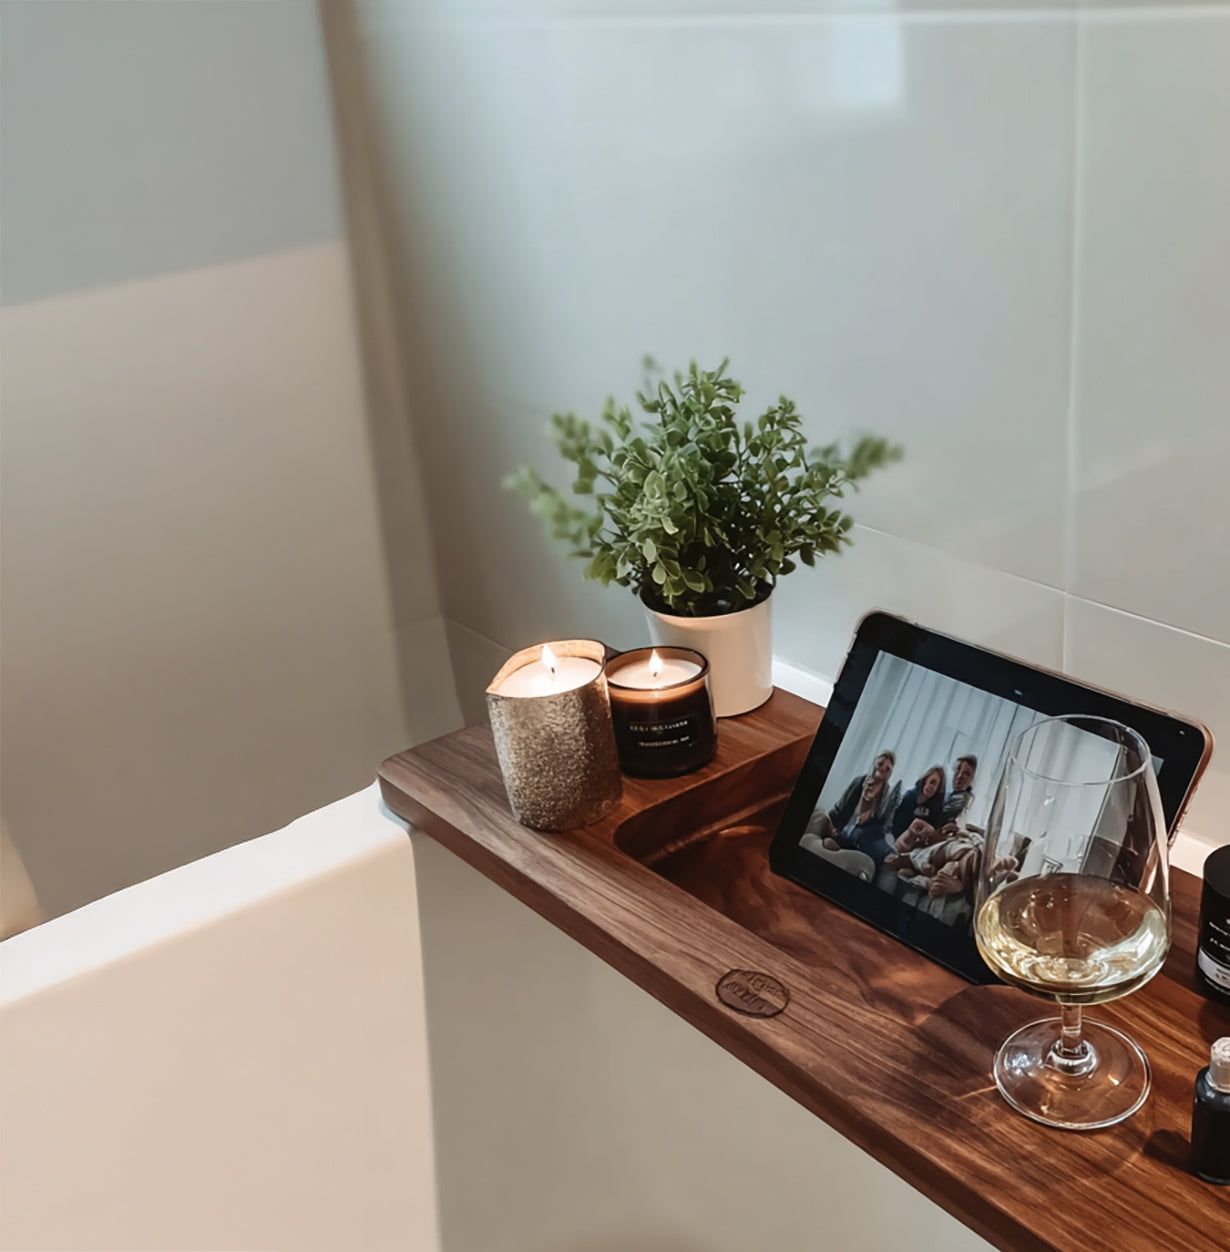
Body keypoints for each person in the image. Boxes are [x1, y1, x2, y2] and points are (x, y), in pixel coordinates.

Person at [802, 750, 898, 870]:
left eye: (887, 769)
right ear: (874, 764)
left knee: (887, 856)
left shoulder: (889, 797)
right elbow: (839, 808)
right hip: (843, 831)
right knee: (828, 843)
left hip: (865, 836)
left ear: (890, 773)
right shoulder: (859, 782)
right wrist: (831, 825)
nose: (882, 769)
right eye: (880, 764)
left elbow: (886, 826)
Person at [890, 765, 946, 840]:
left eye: (937, 786)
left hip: (920, 843)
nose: (932, 787)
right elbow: (898, 824)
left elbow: (934, 829)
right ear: (926, 780)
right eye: (932, 782)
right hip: (900, 837)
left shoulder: (936, 806)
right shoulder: (910, 796)